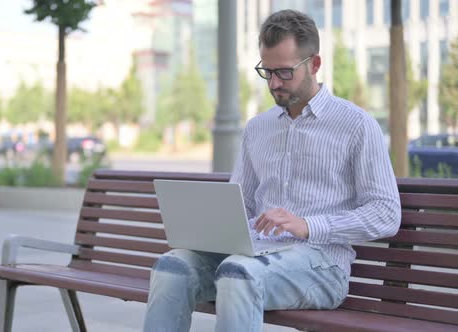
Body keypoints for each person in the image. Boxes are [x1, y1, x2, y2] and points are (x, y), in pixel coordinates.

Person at [142, 9, 401, 332]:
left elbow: (386, 213)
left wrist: (308, 225)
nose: (275, 83)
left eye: (285, 72)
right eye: (267, 72)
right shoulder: (258, 128)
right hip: (254, 255)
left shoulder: (356, 125)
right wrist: (213, 228)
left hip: (322, 265)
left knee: (239, 274)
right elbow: (243, 205)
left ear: (314, 65)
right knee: (172, 267)